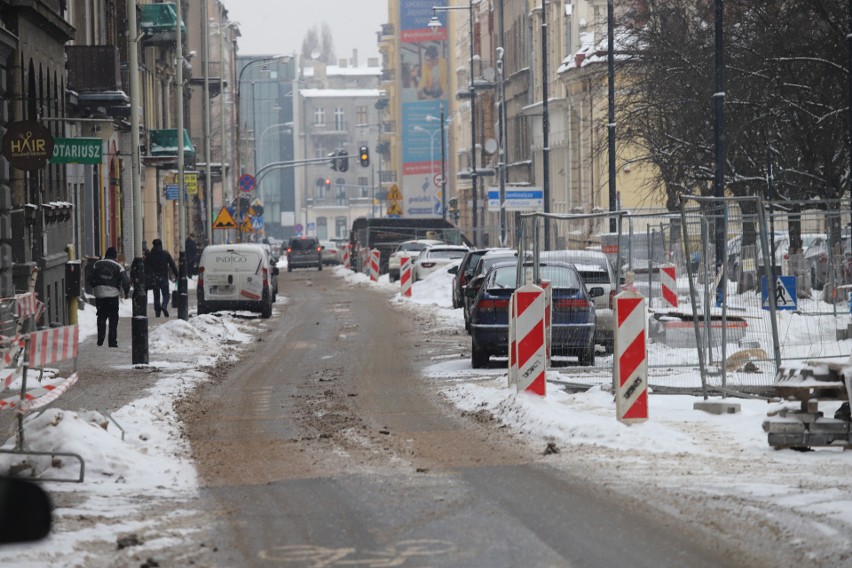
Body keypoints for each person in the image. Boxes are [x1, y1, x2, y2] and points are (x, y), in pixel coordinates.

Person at [88, 247, 130, 348]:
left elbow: (90, 278)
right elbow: (126, 282)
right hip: (113, 296)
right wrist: (126, 293)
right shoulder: (118, 267)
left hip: (100, 295)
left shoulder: (97, 264)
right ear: (115, 256)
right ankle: (112, 341)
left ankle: (100, 338)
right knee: (113, 318)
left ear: (106, 255)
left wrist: (95, 286)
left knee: (101, 316)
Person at [144, 238, 178, 317]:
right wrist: (177, 274)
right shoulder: (165, 254)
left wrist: (148, 276)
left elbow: (145, 267)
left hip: (154, 278)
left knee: (156, 296)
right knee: (166, 294)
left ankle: (157, 312)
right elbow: (172, 264)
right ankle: (164, 305)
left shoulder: (150, 255)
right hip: (164, 277)